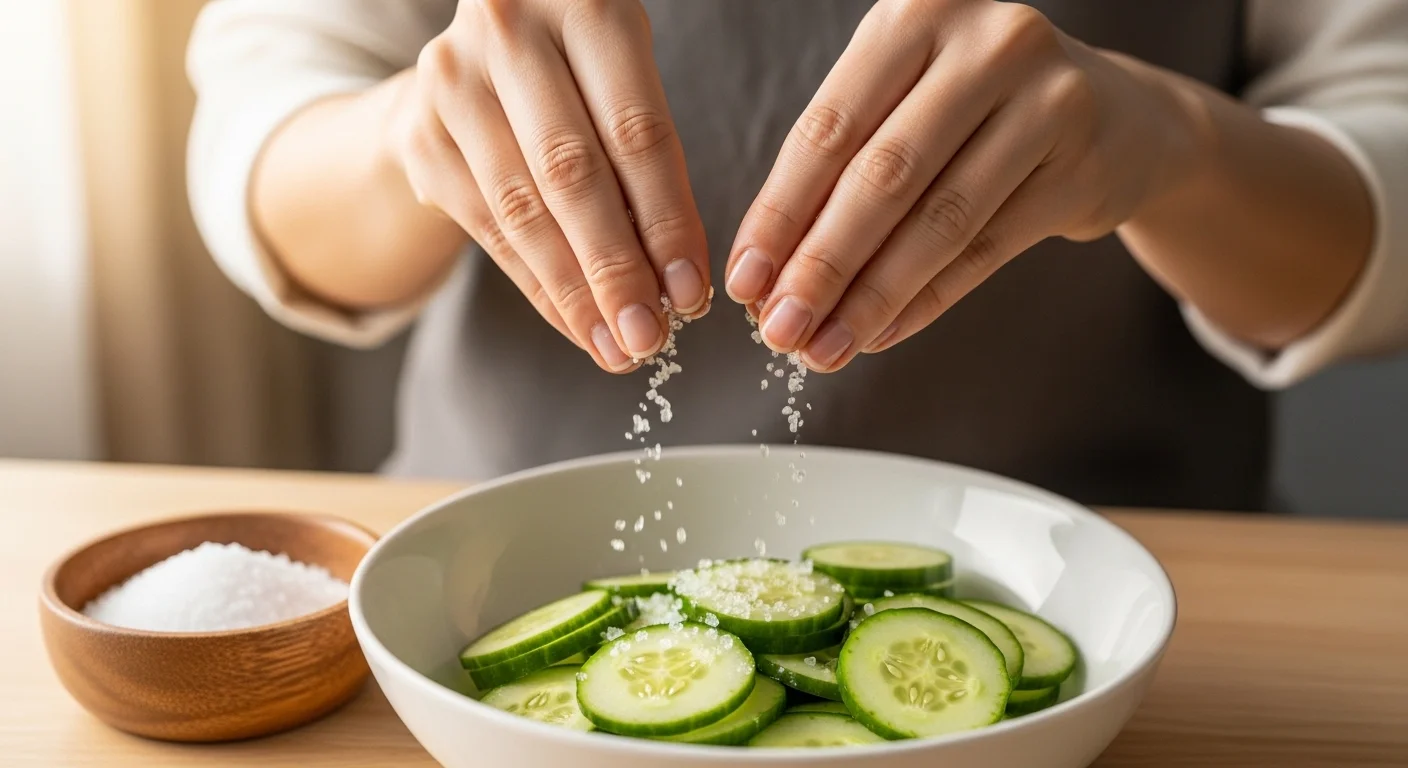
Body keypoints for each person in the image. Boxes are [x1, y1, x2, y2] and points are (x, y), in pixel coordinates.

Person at [187, 0, 1408, 510]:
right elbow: (262, 134)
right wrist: (411, 134)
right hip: (495, 566)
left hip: (1115, 581)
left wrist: (1177, 147)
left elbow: (1381, 167)